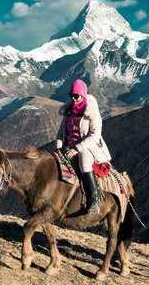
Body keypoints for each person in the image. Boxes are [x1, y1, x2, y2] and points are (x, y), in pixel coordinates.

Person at [55, 79, 112, 214]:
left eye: (76, 96)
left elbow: (95, 136)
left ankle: (94, 200)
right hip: (68, 147)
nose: (73, 99)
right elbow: (60, 133)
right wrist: (59, 148)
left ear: (83, 95)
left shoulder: (92, 112)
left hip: (86, 147)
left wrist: (77, 148)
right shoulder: (69, 112)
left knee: (84, 165)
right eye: (71, 96)